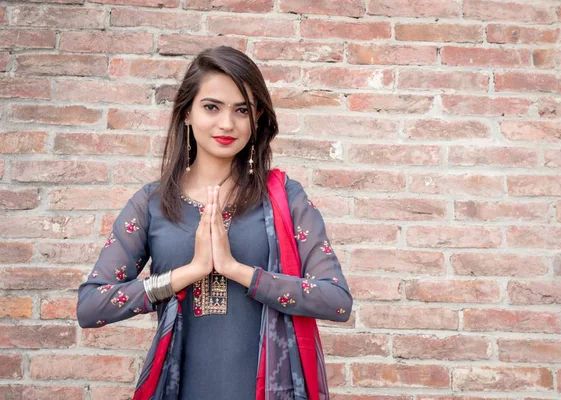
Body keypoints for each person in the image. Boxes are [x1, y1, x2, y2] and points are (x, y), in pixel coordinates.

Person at [76, 46, 353, 399]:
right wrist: (189, 272)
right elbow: (91, 307)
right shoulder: (153, 203)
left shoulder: (285, 197)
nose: (227, 124)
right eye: (212, 107)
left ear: (257, 120)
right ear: (186, 113)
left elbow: (337, 300)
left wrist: (238, 270)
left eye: (242, 110)